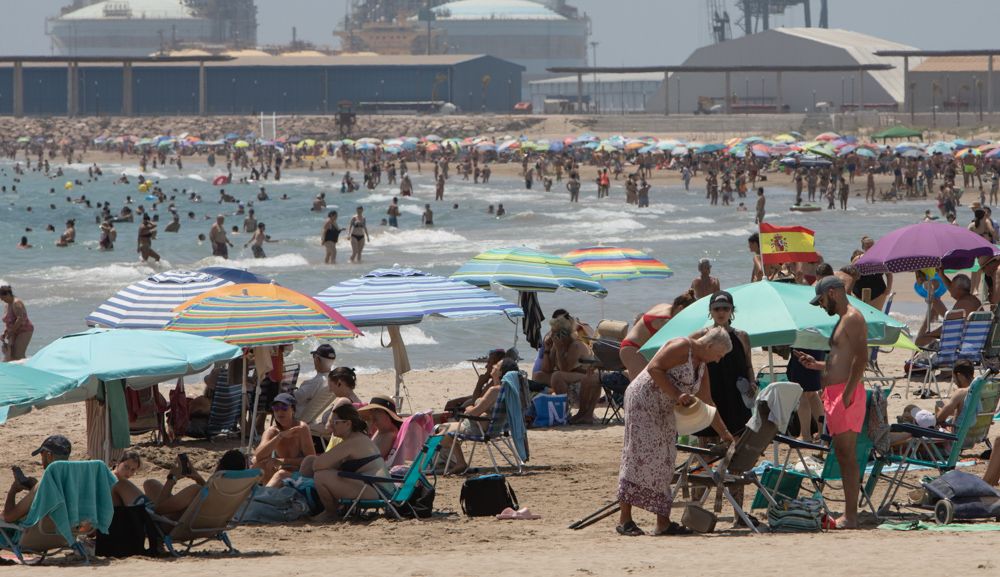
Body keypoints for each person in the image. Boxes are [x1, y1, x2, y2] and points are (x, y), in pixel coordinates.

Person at [616, 328, 734, 536]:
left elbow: (708, 401)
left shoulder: (702, 366)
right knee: (638, 456)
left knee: (666, 458)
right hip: (643, 403)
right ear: (709, 346)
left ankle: (663, 522)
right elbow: (654, 368)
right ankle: (624, 519)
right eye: (719, 354)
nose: (718, 360)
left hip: (665, 408)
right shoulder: (682, 346)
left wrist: (724, 433)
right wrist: (677, 393)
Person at [793, 275, 869, 529]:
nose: (822, 305)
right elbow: (843, 361)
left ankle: (851, 516)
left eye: (823, 300)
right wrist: (817, 365)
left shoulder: (853, 318)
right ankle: (851, 515)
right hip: (836, 392)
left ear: (833, 293)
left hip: (845, 394)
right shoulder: (843, 320)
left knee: (847, 456)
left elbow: (862, 358)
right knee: (842, 454)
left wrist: (847, 393)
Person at [300, 403, 392, 520]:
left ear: (348, 423)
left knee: (321, 476)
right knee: (310, 461)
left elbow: (318, 465)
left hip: (376, 491)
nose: (331, 426)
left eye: (335, 422)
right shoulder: (356, 438)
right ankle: (318, 505)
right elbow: (316, 463)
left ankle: (330, 513)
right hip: (373, 487)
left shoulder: (354, 441)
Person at [691, 291, 756, 440]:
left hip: (736, 392)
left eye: (726, 309)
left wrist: (752, 382)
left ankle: (733, 464)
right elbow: (685, 357)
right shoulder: (701, 335)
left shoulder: (742, 336)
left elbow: (748, 365)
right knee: (707, 439)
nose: (721, 312)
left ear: (732, 311)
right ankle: (707, 464)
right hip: (710, 391)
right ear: (710, 311)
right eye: (717, 309)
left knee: (738, 436)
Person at [438, 358, 519, 472]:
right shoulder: (508, 390)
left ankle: (459, 462)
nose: (493, 366)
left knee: (440, 432)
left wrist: (468, 409)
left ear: (500, 372)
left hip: (478, 427)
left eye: (496, 365)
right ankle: (456, 461)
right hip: (495, 427)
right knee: (444, 428)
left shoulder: (494, 391)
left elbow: (474, 412)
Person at [142, 450, 247, 520]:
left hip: (174, 524)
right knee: (150, 484)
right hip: (208, 526)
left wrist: (171, 479)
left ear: (219, 465)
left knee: (149, 484)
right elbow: (212, 494)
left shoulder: (195, 491)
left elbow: (158, 511)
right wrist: (197, 477)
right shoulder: (236, 492)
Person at [618, 291, 697, 379]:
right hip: (632, 349)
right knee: (642, 386)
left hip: (633, 347)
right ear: (680, 308)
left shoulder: (663, 306)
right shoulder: (666, 321)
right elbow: (674, 345)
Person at [3, 435, 72, 523]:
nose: (42, 461)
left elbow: (9, 517)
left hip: (43, 534)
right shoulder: (77, 481)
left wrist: (13, 491)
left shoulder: (44, 485)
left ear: (49, 456)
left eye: (42, 455)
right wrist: (34, 486)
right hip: (70, 533)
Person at [546, 315, 601, 424]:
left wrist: (558, 349)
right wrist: (547, 350)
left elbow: (565, 368)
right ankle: (564, 412)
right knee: (552, 376)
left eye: (554, 333)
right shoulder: (560, 344)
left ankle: (569, 412)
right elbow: (547, 368)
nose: (551, 336)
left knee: (557, 376)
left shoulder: (575, 345)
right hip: (576, 380)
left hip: (588, 378)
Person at [254, 393, 316, 488]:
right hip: (279, 471)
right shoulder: (272, 431)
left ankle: (263, 496)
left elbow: (310, 461)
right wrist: (280, 436)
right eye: (276, 408)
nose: (279, 412)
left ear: (293, 410)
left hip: (298, 475)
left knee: (281, 474)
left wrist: (280, 461)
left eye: (284, 407)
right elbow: (258, 456)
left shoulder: (301, 428)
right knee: (257, 463)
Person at [915, 270, 981, 347]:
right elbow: (950, 320)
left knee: (920, 340)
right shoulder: (972, 300)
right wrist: (941, 274)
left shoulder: (965, 303)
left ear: (959, 289)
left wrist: (930, 334)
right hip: (970, 340)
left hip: (960, 344)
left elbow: (948, 325)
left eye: (952, 286)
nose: (950, 289)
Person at [445, 348, 506, 412]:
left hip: (476, 417)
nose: (486, 366)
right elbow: (482, 395)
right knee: (452, 403)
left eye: (489, 362)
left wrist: (480, 383)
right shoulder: (494, 383)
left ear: (496, 366)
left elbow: (476, 403)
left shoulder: (495, 386)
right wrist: (459, 399)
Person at [1, 285, 33, 361]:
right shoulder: (7, 304)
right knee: (10, 354)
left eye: (2, 297)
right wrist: (5, 332)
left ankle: (26, 370)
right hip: (14, 331)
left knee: (18, 355)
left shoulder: (16, 303)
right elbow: (9, 322)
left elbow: (20, 319)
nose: (2, 300)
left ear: (8, 294)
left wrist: (11, 332)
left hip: (24, 330)